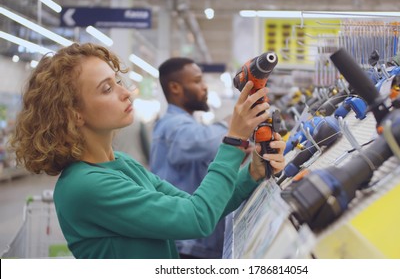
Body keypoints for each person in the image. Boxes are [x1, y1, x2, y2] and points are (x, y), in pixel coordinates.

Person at [9, 43, 285, 259]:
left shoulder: (122, 164)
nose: (126, 92)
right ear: (75, 114)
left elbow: (200, 207)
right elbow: (196, 219)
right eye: (107, 89)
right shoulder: (84, 186)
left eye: (117, 81)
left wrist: (251, 172)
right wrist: (234, 139)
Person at [150, 57, 243, 258]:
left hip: (197, 241)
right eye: (197, 81)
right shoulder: (172, 125)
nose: (204, 87)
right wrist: (235, 123)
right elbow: (202, 141)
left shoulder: (186, 123)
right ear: (175, 87)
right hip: (187, 245)